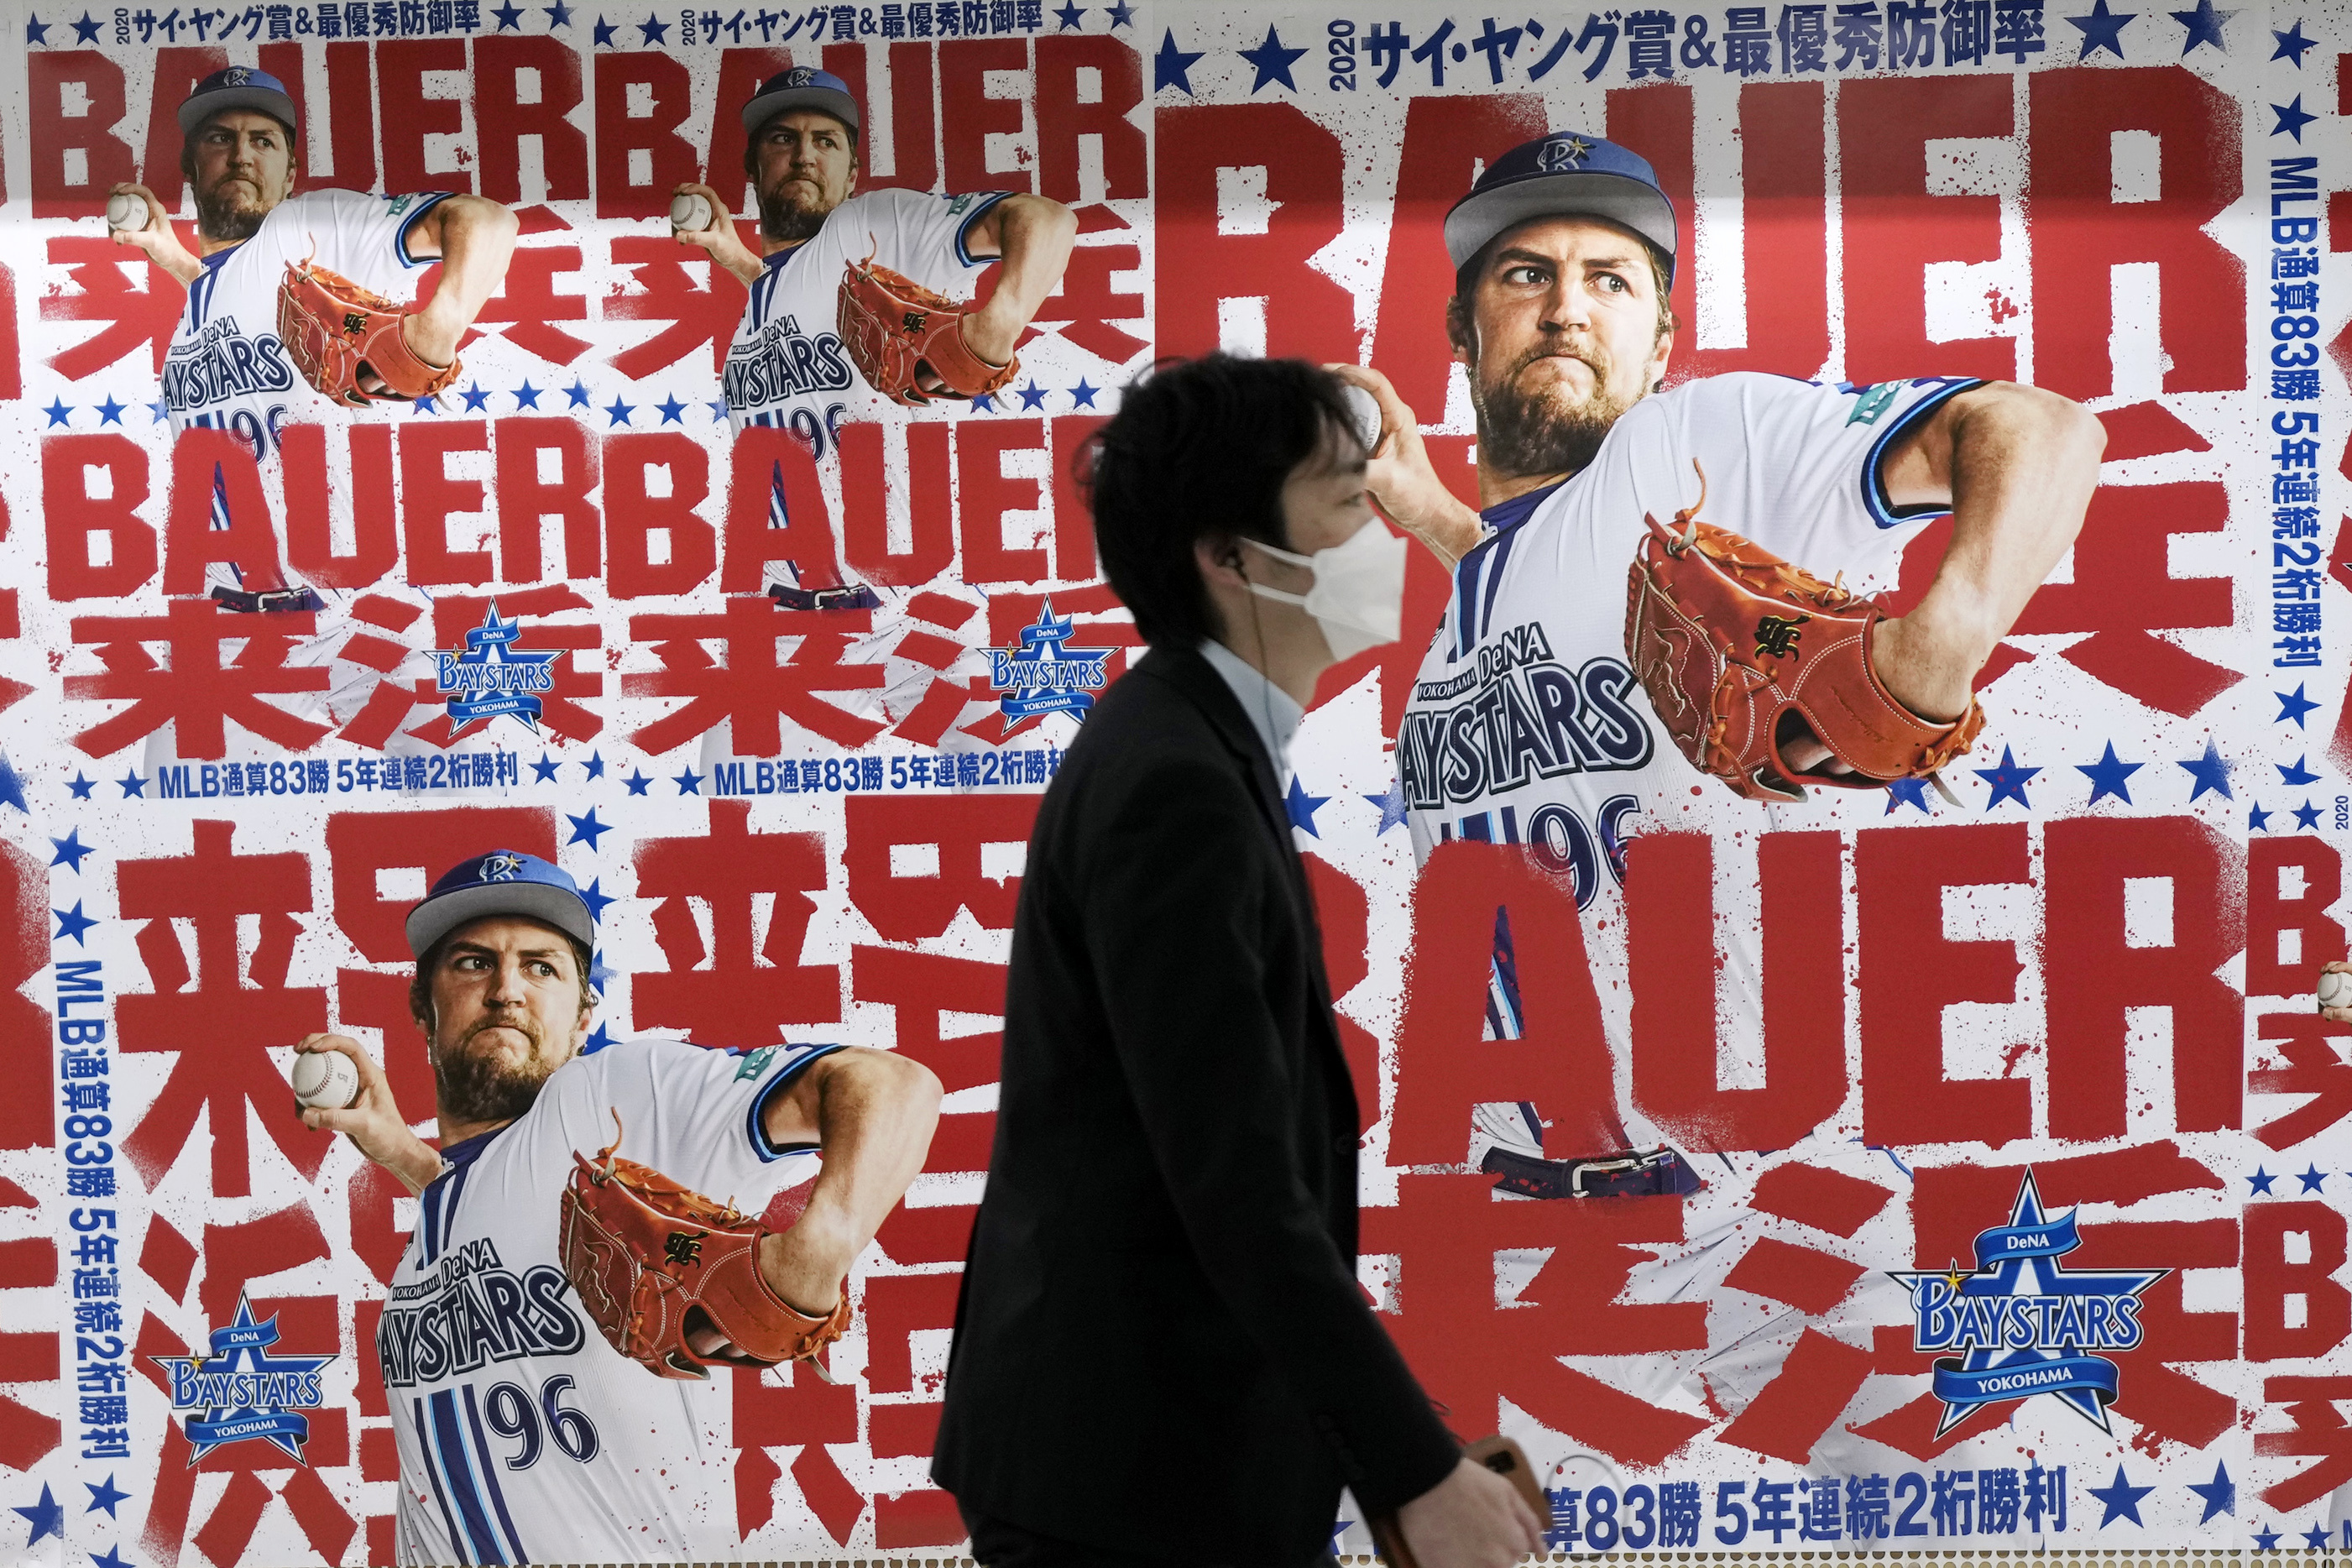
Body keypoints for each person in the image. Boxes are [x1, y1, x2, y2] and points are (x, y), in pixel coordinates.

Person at [1331, 132, 2104, 1200]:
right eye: (1526, 274)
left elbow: (2042, 429)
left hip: (1752, 1210)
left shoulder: (1698, 440)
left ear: (1659, 345)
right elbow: (1548, 598)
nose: (1567, 307)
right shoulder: (1483, 593)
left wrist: (1945, 636)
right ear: (1463, 333)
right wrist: (1435, 516)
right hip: (1530, 1218)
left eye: (1610, 278)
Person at [931, 355, 1544, 1568]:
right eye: (1346, 502)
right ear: (1235, 558)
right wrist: (1412, 1470)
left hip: (1174, 1459)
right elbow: (1234, 1183)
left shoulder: (1192, 741)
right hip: (1127, 1487)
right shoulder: (1174, 785)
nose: (1384, 530)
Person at [295, 849, 941, 1563]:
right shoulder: (447, 1216)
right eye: (473, 963)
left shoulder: (615, 1096)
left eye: (543, 967)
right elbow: (501, 1220)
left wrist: (822, 1246)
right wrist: (411, 1161)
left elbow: (892, 1084)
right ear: (424, 1008)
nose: (507, 988)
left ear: (582, 1018)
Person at [108, 67, 519, 618]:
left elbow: (486, 220)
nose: (240, 154)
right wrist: (177, 259)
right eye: (219, 138)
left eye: (263, 140)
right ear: (190, 165)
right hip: (243, 627)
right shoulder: (211, 294)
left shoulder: (308, 227)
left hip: (356, 618)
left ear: (290, 172)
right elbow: (242, 300)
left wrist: (436, 331)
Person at [671, 67, 1077, 610]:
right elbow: (800, 302)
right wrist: (737, 257)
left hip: (902, 614)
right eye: (783, 138)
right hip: (791, 616)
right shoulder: (769, 299)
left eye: (826, 140)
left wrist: (997, 325)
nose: (804, 155)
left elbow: (1046, 219)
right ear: (753, 165)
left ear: (853, 171)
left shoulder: (871, 227)